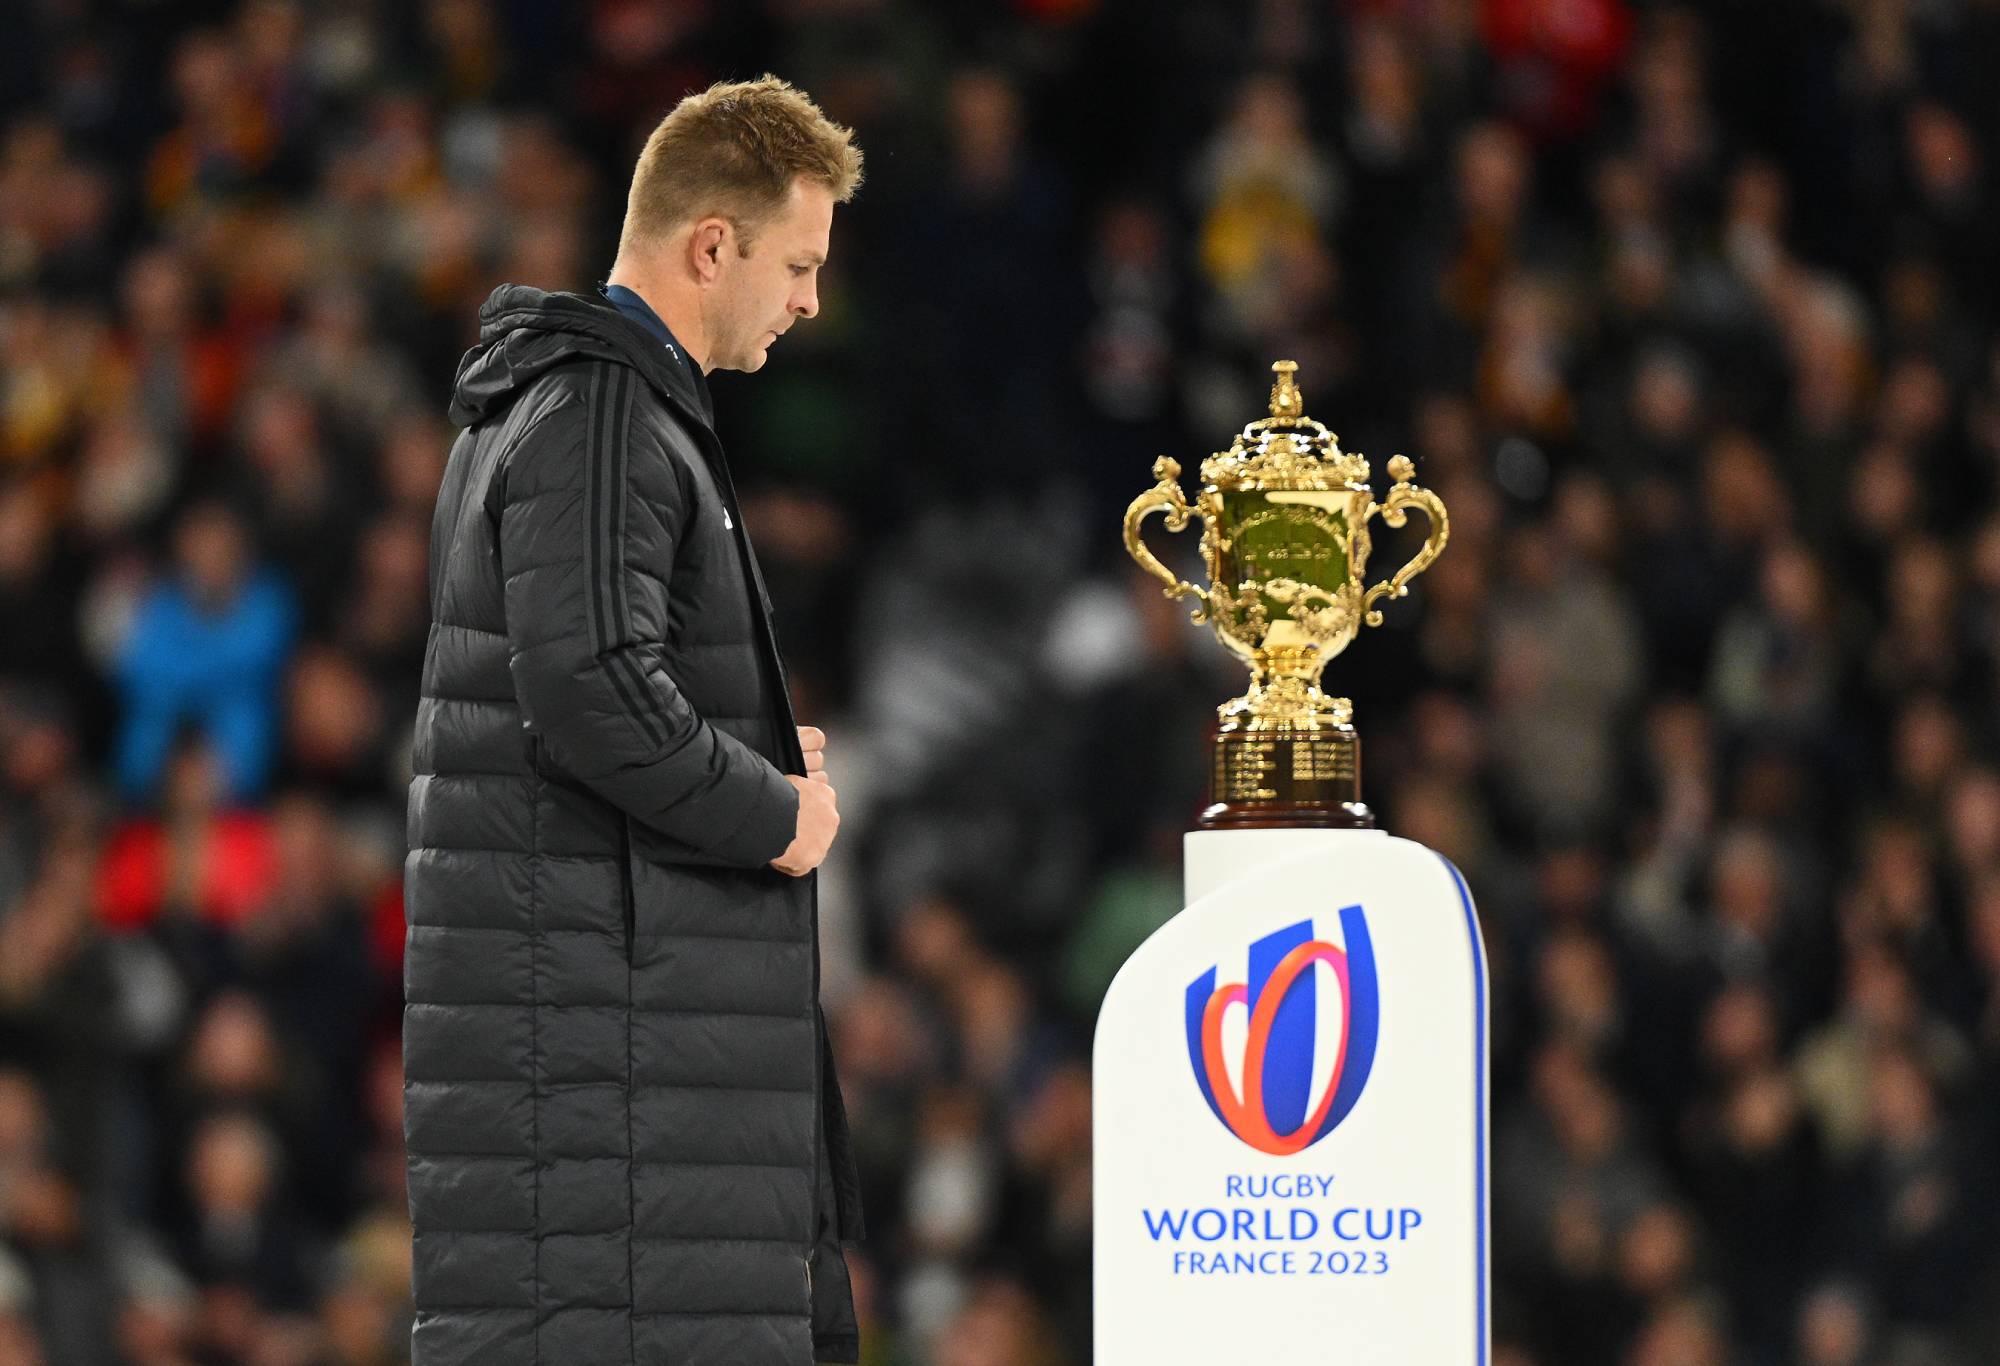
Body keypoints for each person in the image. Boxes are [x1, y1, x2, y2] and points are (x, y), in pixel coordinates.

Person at [402, 76, 865, 1364]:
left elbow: (592, 680)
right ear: (710, 245)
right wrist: (774, 810)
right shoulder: (602, 412)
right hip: (617, 1149)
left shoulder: (577, 410)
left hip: (617, 1131)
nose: (810, 300)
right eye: (796, 262)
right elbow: (593, 688)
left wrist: (749, 746)